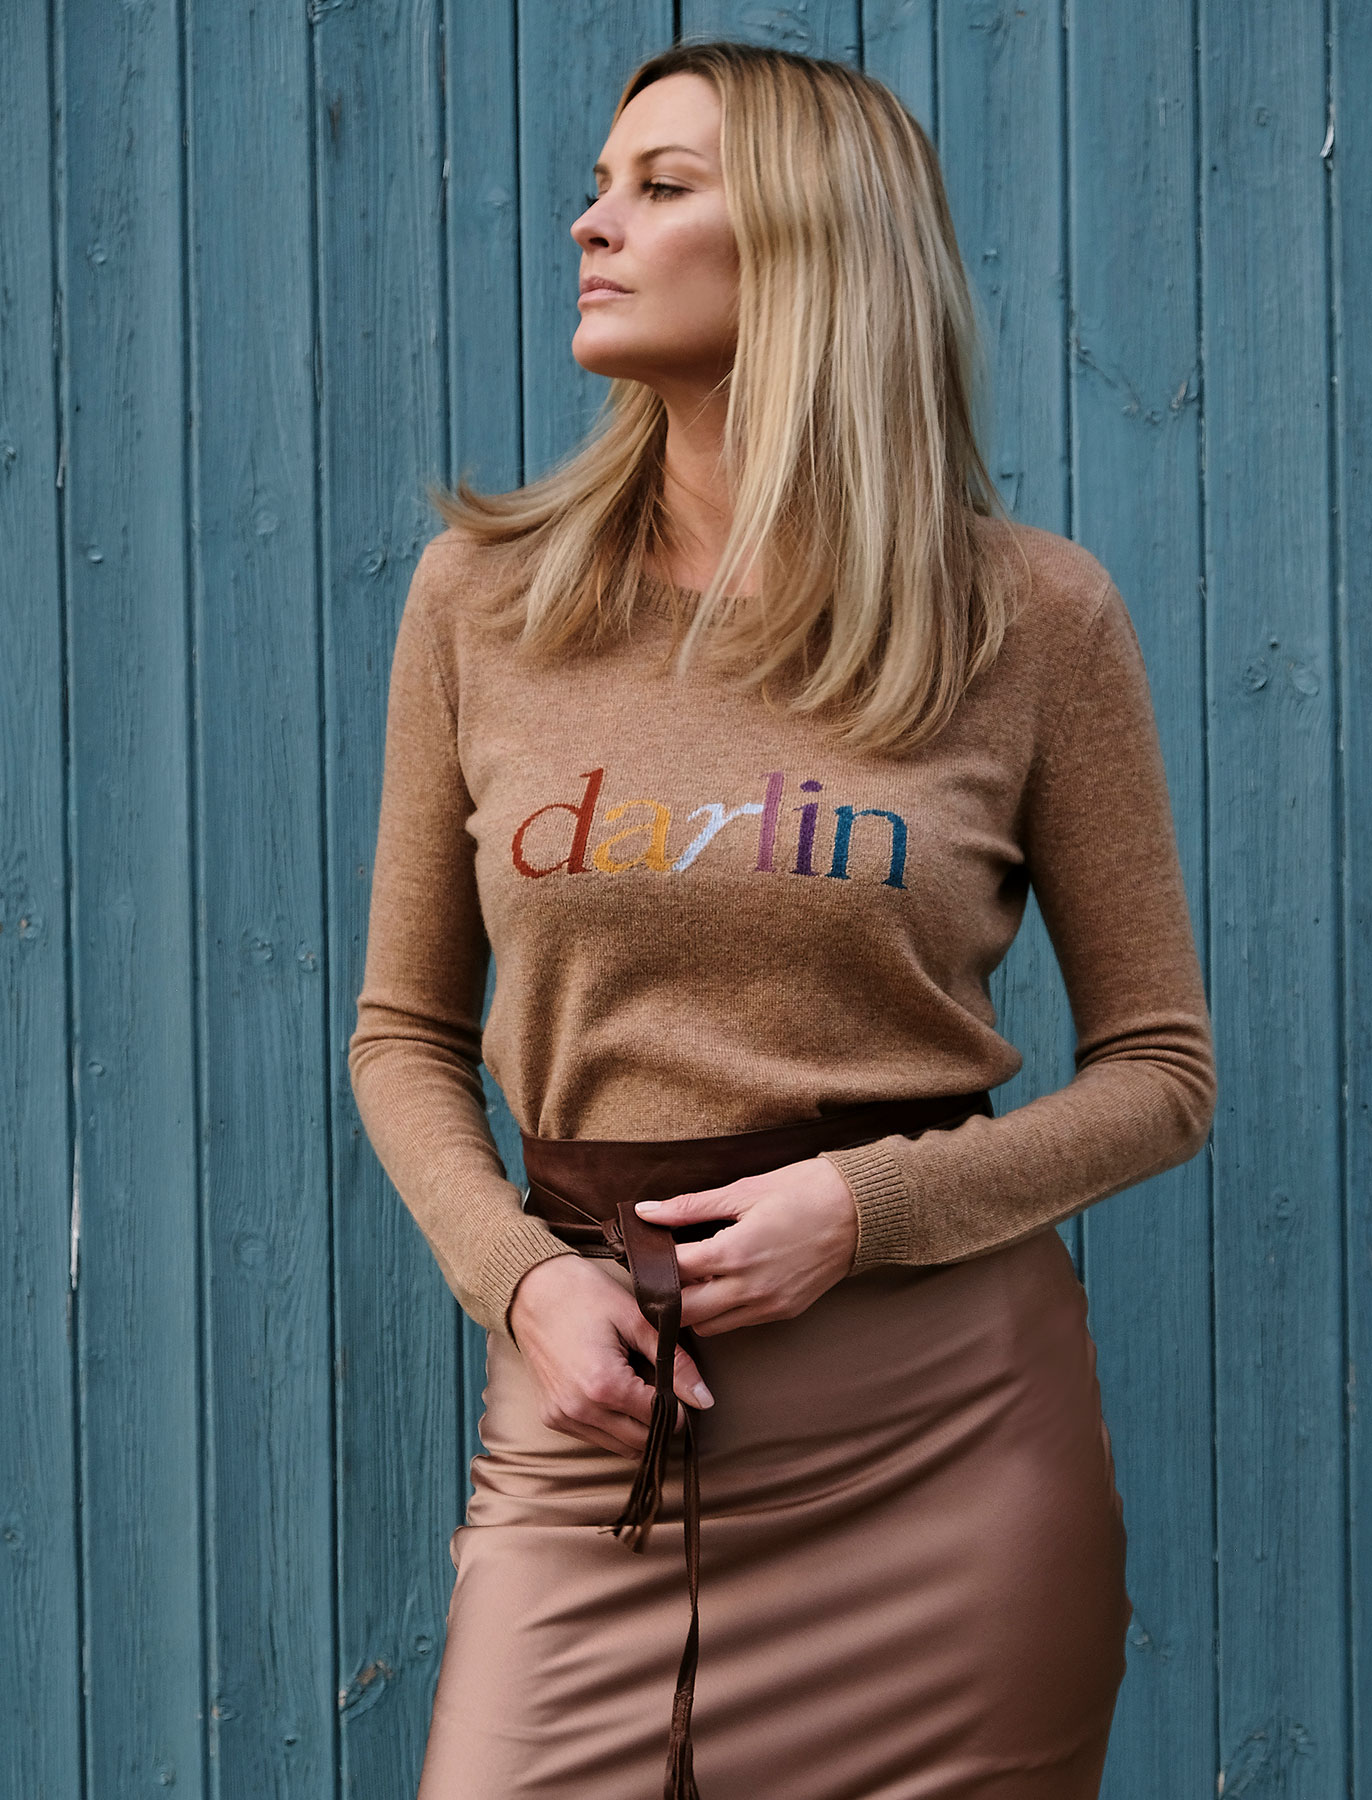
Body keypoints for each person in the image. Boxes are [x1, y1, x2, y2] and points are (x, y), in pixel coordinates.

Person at [347, 38, 1216, 1800]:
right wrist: (518, 1285)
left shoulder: (1033, 618)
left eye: (662, 187)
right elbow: (405, 1035)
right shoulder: (484, 601)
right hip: (602, 1409)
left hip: (949, 1433)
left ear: (819, 248)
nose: (594, 224)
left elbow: (1164, 1073)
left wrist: (865, 1204)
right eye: (600, 184)